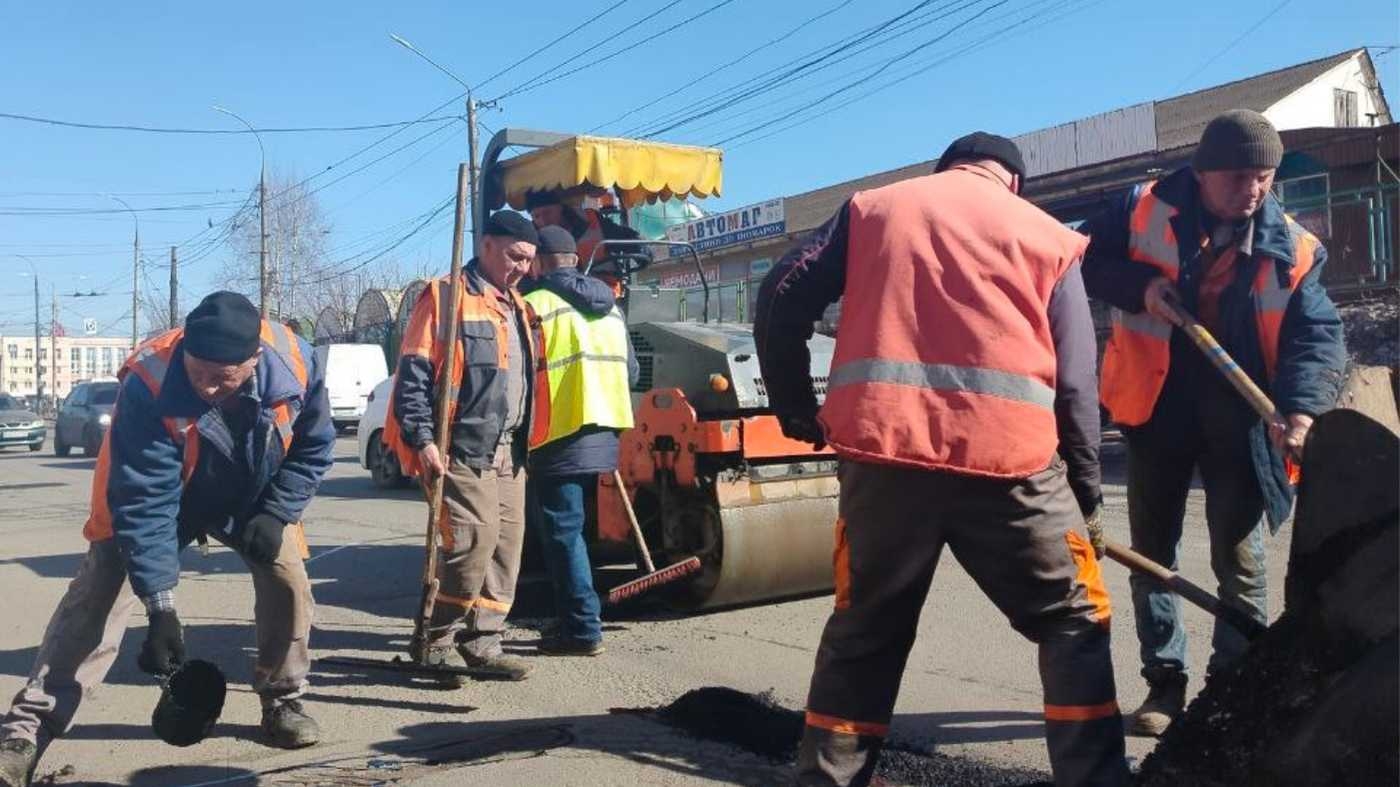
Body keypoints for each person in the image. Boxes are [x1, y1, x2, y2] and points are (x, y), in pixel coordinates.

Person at [756, 132, 1128, 787]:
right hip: (1011, 468)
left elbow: (782, 295)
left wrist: (793, 408)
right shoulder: (1045, 235)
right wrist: (1087, 495)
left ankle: (827, 778)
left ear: (946, 170)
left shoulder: (875, 209)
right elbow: (1075, 384)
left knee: (865, 628)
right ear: (1013, 181)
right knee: (1075, 621)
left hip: (884, 458)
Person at [1081, 109, 1346, 737]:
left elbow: (1317, 336)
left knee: (1242, 561)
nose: (1251, 190)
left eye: (1263, 177)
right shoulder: (1140, 208)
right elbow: (1081, 259)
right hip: (1156, 411)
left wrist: (1303, 411)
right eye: (1237, 177)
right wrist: (1140, 287)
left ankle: (1231, 691)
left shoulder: (1296, 249)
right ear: (1201, 174)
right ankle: (1164, 684)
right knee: (1151, 555)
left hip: (1242, 422)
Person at [0, 292, 334, 787]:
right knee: (100, 590)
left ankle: (283, 702)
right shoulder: (149, 381)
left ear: (254, 361)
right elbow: (145, 499)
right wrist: (161, 607)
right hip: (166, 490)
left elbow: (314, 446)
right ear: (185, 352)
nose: (208, 388)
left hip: (252, 494)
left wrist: (277, 512)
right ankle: (26, 732)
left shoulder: (297, 365)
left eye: (224, 377)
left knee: (286, 579)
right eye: (198, 373)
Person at [384, 210, 548, 684]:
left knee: (505, 550)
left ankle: (483, 641)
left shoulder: (518, 305)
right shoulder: (444, 297)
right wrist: (423, 439)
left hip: (511, 452)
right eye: (515, 256)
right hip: (460, 450)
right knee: (470, 546)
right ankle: (435, 639)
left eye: (529, 260)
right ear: (487, 244)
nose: (522, 268)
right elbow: (412, 376)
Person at [520, 226, 639, 656]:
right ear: (575, 258)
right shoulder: (611, 307)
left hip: (557, 434)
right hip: (605, 431)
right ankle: (575, 616)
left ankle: (581, 629)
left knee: (562, 533)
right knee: (575, 529)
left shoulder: (532, 306)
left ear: (538, 261)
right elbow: (632, 375)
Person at [525, 190, 650, 293]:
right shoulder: (530, 240)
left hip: (604, 288)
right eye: (536, 216)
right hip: (559, 294)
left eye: (547, 213)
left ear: (561, 208)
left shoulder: (593, 221)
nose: (543, 220)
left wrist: (641, 249)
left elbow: (625, 237)